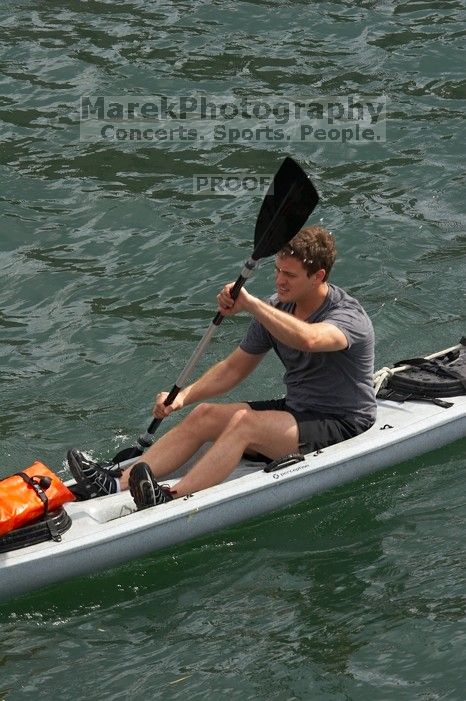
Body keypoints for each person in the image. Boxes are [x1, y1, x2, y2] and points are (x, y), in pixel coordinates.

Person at [68, 225, 376, 509]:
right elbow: (233, 368)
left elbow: (308, 339)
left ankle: (171, 497)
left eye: (290, 275)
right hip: (298, 410)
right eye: (278, 270)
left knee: (244, 424)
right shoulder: (277, 308)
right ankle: (117, 485)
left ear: (318, 276)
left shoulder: (348, 316)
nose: (280, 280)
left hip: (342, 421)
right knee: (205, 414)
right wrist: (183, 397)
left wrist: (251, 304)